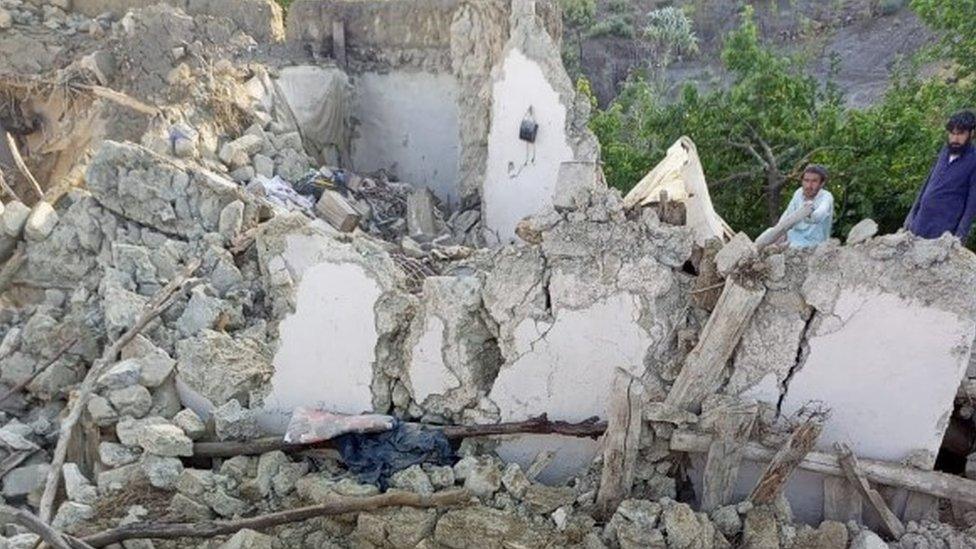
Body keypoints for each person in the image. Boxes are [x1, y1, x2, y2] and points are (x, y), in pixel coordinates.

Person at [904, 110, 976, 240]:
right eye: (952, 133)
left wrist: (960, 236)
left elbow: (972, 203)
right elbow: (927, 183)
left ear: (971, 134)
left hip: (942, 233)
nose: (955, 139)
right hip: (919, 224)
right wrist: (911, 214)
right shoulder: (945, 151)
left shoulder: (974, 160)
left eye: (960, 134)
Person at [778, 164, 834, 247]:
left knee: (789, 247)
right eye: (806, 180)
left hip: (815, 245)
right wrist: (779, 232)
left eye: (814, 181)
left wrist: (809, 212)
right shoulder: (798, 193)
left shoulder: (826, 197)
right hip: (793, 237)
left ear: (822, 184)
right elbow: (788, 213)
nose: (809, 185)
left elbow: (819, 215)